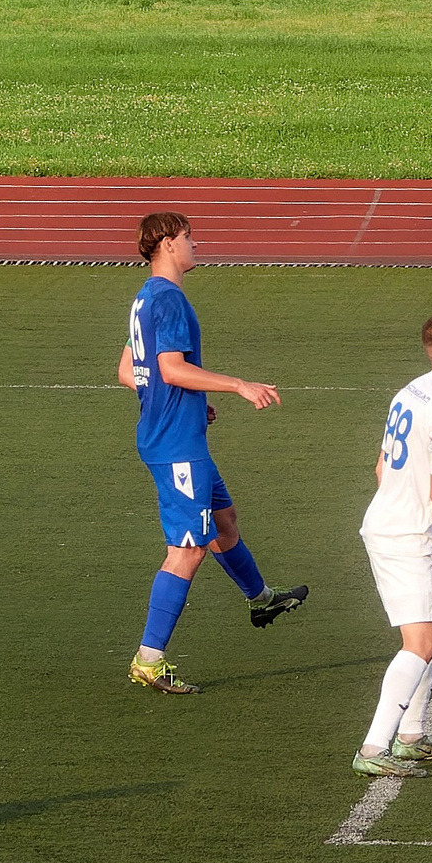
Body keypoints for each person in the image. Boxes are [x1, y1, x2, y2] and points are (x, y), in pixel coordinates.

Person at [116, 211, 307, 694]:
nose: (194, 244)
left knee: (224, 521)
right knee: (187, 549)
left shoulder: (144, 298)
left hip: (177, 437)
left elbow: (129, 370)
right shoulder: (170, 298)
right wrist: (238, 385)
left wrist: (188, 403)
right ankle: (149, 659)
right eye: (187, 236)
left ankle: (260, 598)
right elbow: (170, 369)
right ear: (166, 244)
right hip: (176, 446)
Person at [351, 312, 432, 778]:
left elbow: (381, 467)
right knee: (420, 641)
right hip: (406, 537)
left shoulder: (410, 391)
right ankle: (373, 747)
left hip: (391, 523)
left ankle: (411, 737)